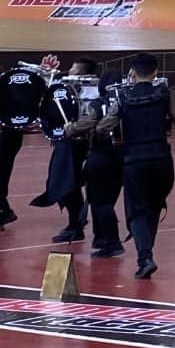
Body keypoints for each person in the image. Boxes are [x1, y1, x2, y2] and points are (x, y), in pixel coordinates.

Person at [97, 54, 175, 278]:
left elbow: (103, 127)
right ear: (155, 72)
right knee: (154, 207)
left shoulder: (124, 96)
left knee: (136, 210)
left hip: (134, 160)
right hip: (162, 158)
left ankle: (144, 256)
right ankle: (147, 252)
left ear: (133, 72)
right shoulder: (163, 93)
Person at [31, 58, 99, 243]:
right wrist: (47, 73)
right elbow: (49, 90)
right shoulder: (65, 87)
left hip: (79, 142)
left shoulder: (92, 91)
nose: (69, 72)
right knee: (65, 181)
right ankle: (76, 222)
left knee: (68, 182)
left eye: (73, 70)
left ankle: (76, 225)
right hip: (66, 141)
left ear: (83, 73)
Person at [65, 69, 125, 257]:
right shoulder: (127, 100)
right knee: (108, 200)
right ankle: (101, 236)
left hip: (101, 155)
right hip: (123, 157)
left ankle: (113, 242)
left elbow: (86, 124)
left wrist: (70, 128)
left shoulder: (99, 104)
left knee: (100, 201)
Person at [0, 127, 23, 230]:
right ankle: (4, 211)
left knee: (3, 173)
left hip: (8, 133)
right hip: (10, 133)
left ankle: (5, 211)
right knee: (3, 174)